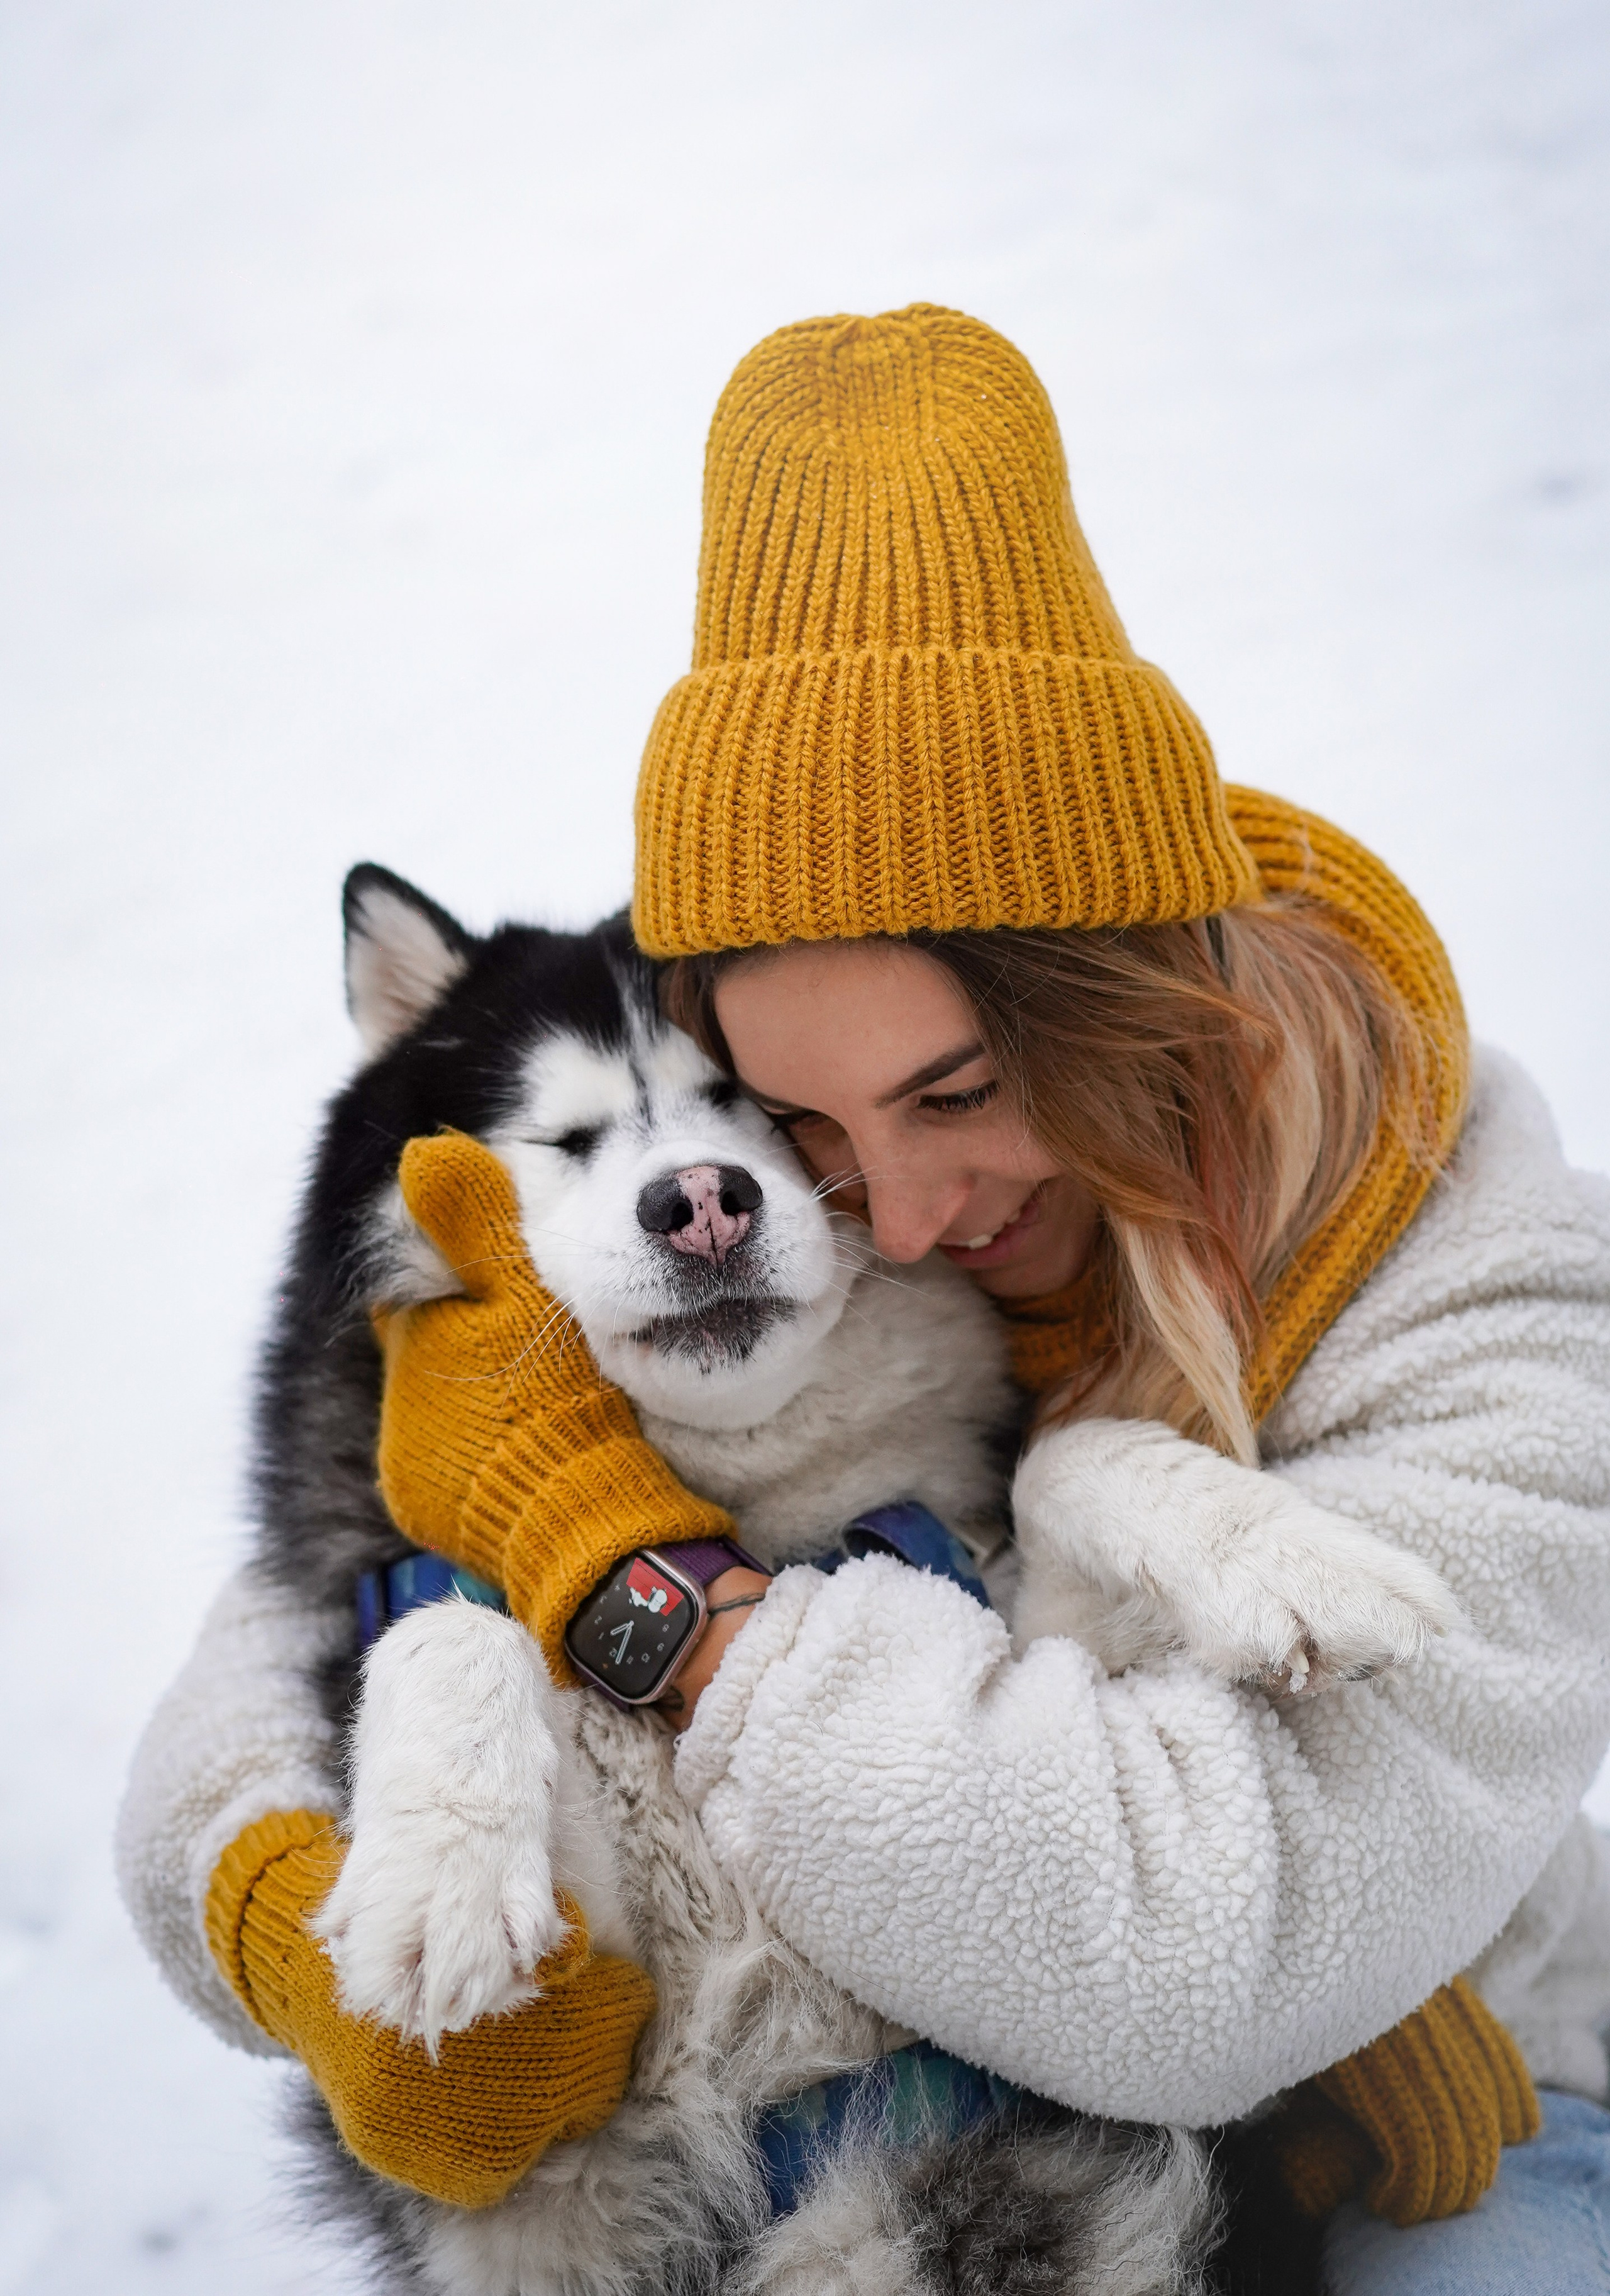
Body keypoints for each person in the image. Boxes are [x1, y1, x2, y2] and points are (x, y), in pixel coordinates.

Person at [120, 306, 1610, 2291]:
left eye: (962, 1093)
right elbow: (281, 1634)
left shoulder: (1483, 1289)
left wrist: (627, 1575)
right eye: (801, 1117)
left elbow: (1187, 1970)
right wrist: (289, 1910)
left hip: (1460, 2121)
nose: (890, 1208)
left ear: (1131, 1000)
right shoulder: (825, 1257)